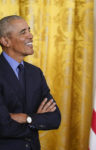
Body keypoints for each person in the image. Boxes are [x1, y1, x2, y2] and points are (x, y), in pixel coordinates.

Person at [0, 15, 61, 150]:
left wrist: (28, 118)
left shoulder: (35, 73)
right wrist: (37, 119)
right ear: (5, 41)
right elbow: (3, 126)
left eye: (29, 30)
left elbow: (55, 118)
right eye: (23, 32)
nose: (31, 35)